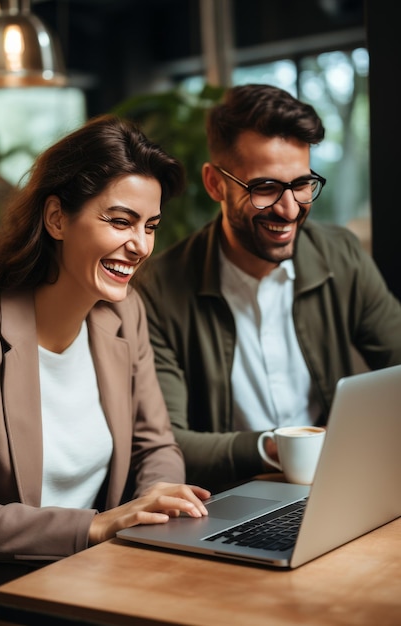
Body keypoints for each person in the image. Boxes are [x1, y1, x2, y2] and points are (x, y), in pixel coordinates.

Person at [0, 114, 210, 626]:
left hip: (101, 581)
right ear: (57, 218)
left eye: (150, 227)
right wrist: (94, 527)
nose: (141, 246)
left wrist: (154, 496)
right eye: (121, 222)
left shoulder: (126, 315)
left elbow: (157, 446)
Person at [133, 83, 401, 493]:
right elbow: (165, 443)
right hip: (226, 497)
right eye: (265, 188)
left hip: (334, 485)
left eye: (301, 183)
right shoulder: (158, 290)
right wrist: (277, 448)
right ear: (215, 184)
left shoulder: (341, 256)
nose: (290, 208)